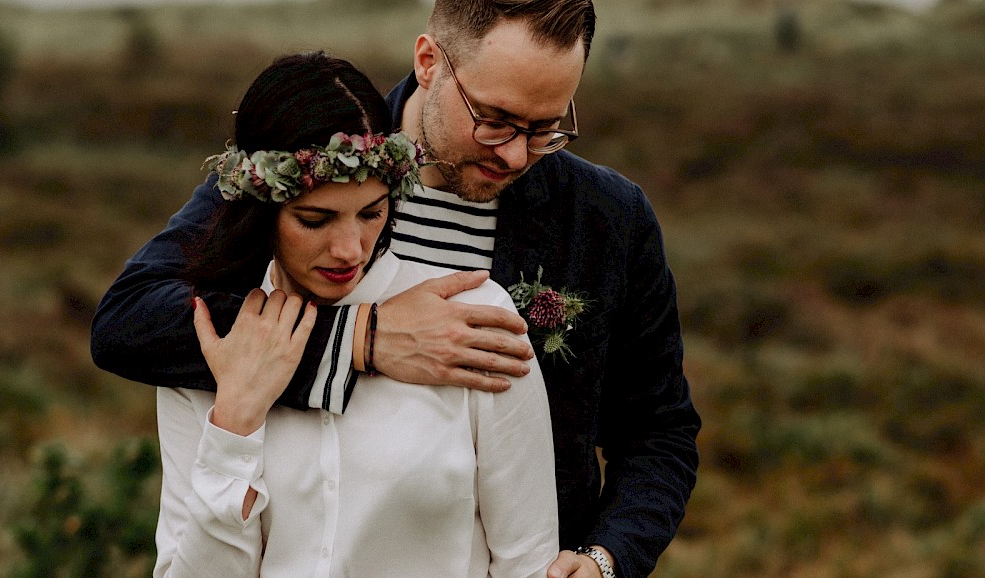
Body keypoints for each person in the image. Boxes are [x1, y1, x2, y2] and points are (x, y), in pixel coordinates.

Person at [93, 2, 701, 577]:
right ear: (429, 62)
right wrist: (363, 337)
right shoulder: (314, 153)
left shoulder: (606, 218)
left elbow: (659, 429)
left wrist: (605, 558)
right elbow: (131, 319)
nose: (516, 154)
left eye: (546, 128)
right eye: (494, 121)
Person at [151, 52, 559, 577]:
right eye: (315, 219)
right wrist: (235, 424)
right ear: (262, 211)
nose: (349, 249)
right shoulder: (213, 343)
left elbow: (528, 560)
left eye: (371, 213)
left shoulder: (476, 320)